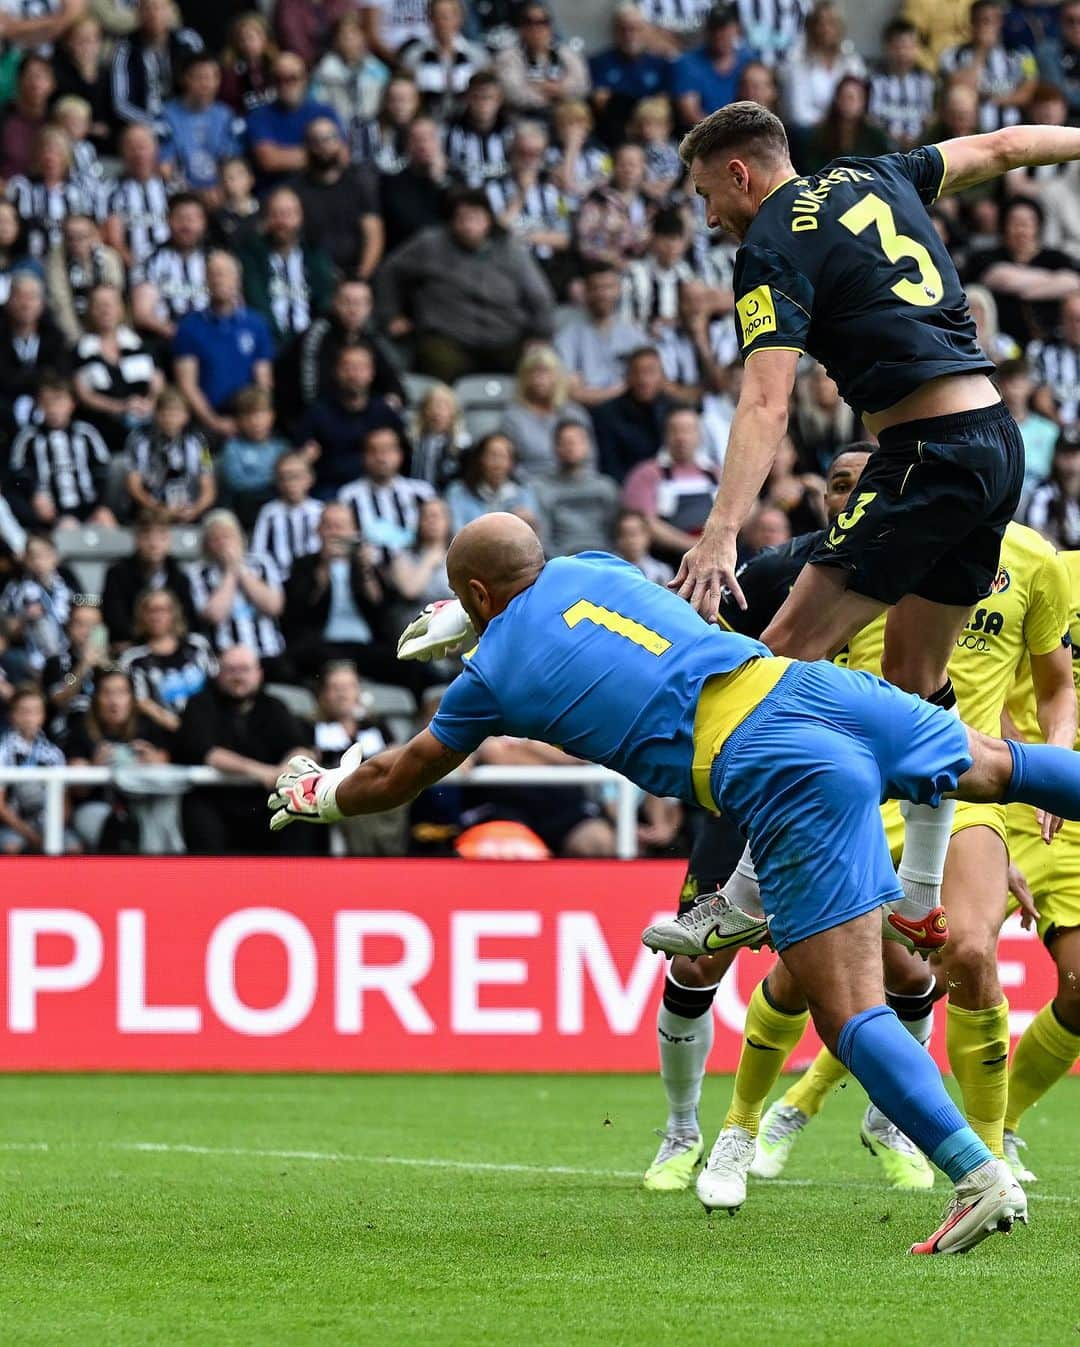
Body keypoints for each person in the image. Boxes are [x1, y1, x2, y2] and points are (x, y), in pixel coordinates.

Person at [269, 512, 1080, 1254]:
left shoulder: (490, 678)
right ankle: (744, 903)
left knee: (850, 1009)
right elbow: (519, 590)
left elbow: (395, 775)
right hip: (810, 688)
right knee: (1001, 764)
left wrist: (318, 793)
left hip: (775, 767)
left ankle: (978, 1177)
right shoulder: (595, 566)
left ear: (477, 596)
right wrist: (469, 613)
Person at [669, 101, 1080, 951]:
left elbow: (766, 398)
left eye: (709, 193)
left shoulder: (771, 246)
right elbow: (1006, 146)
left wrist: (720, 531)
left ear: (740, 173)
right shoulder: (873, 171)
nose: (710, 215)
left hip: (923, 452)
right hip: (997, 442)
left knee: (776, 665)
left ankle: (743, 892)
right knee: (913, 675)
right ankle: (922, 895)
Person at [1001, 549, 1080, 1181]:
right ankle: (791, 1108)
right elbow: (984, 673)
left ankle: (1001, 1122)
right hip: (1014, 790)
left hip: (1075, 819)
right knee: (911, 961)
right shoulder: (1052, 569)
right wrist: (1032, 769)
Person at [375, 187, 555, 382]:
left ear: (488, 219)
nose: (468, 225)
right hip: (449, 337)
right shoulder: (430, 245)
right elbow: (389, 271)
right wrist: (390, 315)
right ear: (451, 221)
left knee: (539, 366)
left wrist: (540, 336)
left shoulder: (509, 248)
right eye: (461, 218)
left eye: (475, 217)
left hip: (506, 336)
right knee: (438, 360)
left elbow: (539, 296)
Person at [176, 643, 308, 854]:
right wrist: (261, 772)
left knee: (300, 807)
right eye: (231, 670)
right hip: (216, 801)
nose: (238, 677)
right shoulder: (200, 705)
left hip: (265, 801)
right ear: (219, 674)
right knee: (197, 812)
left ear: (259, 673)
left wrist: (285, 768)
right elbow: (207, 752)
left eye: (245, 669)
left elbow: (300, 748)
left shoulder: (274, 706)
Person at [173, 250, 274, 439]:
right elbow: (187, 384)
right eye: (213, 274)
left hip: (249, 424)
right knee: (205, 462)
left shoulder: (256, 324)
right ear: (205, 281)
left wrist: (255, 420)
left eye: (225, 273)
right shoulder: (189, 326)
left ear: (238, 279)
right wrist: (213, 421)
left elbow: (264, 382)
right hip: (204, 426)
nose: (219, 279)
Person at [313, 659, 408, 855]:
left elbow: (396, 751)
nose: (342, 693)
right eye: (335, 687)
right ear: (323, 694)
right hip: (339, 792)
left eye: (348, 687)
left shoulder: (374, 724)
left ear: (358, 691)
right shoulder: (313, 727)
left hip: (379, 789)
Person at [966, 195, 1080, 348]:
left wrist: (1025, 288)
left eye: (1028, 222)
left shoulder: (1056, 258)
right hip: (1000, 343)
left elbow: (1074, 282)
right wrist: (1054, 283)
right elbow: (1000, 278)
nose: (1021, 228)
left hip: (1054, 343)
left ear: (1038, 226)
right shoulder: (987, 257)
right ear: (1004, 226)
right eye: (1015, 222)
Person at [296, 343, 405, 496]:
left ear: (371, 373)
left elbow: (403, 454)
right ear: (336, 371)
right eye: (347, 367)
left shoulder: (385, 413)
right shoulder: (317, 414)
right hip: (332, 490)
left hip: (379, 487)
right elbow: (302, 457)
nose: (354, 374)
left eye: (361, 368)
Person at [9, 373, 114, 529]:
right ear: (39, 405)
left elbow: (102, 471)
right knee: (68, 529)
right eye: (47, 403)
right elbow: (18, 472)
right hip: (50, 511)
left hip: (88, 507)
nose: (53, 409)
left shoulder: (86, 433)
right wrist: (34, 495)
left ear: (72, 403)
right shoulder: (28, 437)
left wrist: (102, 506)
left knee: (108, 527)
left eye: (59, 402)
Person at [188, 509, 287, 673]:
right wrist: (230, 573)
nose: (222, 543)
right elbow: (214, 615)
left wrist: (240, 569)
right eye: (215, 539)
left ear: (240, 537)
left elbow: (273, 606)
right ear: (206, 544)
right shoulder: (199, 573)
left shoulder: (262, 563)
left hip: (267, 652)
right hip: (223, 655)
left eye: (227, 536)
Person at [238, 186, 336, 351]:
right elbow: (256, 303)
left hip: (312, 346)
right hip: (268, 345)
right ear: (266, 218)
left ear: (300, 217)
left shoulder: (314, 255)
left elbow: (325, 300)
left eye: (289, 214)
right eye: (276, 214)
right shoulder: (252, 256)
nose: (282, 222)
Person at [621, 406, 721, 563]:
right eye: (675, 431)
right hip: (666, 561)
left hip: (716, 556)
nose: (682, 437)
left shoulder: (716, 473)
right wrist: (693, 546)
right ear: (665, 435)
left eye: (688, 430)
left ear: (699, 435)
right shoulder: (645, 474)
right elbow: (646, 523)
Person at [288, 118, 383, 280]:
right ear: (307, 146)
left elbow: (374, 235)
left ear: (340, 142)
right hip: (312, 277)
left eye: (329, 139)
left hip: (358, 276)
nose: (323, 146)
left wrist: (360, 278)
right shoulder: (294, 191)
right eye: (316, 140)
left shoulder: (358, 185)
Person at [73, 282, 161, 451]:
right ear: (90, 310)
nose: (105, 310)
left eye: (110, 304)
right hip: (104, 432)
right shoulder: (81, 350)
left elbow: (158, 383)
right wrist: (122, 407)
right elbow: (84, 395)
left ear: (121, 308)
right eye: (99, 305)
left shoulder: (141, 345)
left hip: (146, 427)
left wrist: (150, 402)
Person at [120, 587, 218, 740]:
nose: (157, 616)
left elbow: (216, 681)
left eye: (163, 610)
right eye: (151, 611)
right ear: (142, 616)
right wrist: (181, 728)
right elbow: (141, 702)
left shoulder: (197, 645)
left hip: (210, 725)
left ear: (174, 613)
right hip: (162, 734)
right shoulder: (133, 658)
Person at [298, 277, 404, 408]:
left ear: (369, 307)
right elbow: (311, 393)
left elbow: (393, 383)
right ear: (334, 303)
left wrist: (392, 400)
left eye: (360, 303)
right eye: (347, 302)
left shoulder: (370, 337)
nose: (353, 310)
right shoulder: (317, 335)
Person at [554, 262, 648, 410]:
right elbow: (569, 391)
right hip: (584, 411)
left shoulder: (634, 335)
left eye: (608, 287)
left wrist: (591, 391)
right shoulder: (568, 335)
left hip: (628, 410)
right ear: (585, 292)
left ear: (618, 290)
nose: (602, 294)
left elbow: (646, 383)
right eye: (596, 288)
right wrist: (619, 390)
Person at [245, 51, 340, 191]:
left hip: (320, 191)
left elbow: (342, 154)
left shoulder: (324, 111)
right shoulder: (259, 116)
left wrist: (287, 155)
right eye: (279, 79)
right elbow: (269, 160)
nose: (286, 85)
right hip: (277, 194)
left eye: (292, 78)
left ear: (305, 79)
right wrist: (320, 153)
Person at [939, 0, 1037, 133]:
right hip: (973, 130)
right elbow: (962, 89)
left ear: (1001, 22)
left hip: (1012, 128)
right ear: (972, 23)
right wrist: (981, 50)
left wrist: (993, 99)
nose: (989, 25)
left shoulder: (1022, 54)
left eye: (994, 20)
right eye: (983, 20)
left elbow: (1028, 91)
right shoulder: (953, 55)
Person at [101, 510, 196, 646]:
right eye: (147, 536)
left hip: (173, 648)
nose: (154, 544)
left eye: (161, 536)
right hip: (132, 647)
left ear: (169, 540)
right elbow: (115, 619)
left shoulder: (180, 577)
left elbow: (188, 620)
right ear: (136, 539)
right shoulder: (117, 574)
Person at [497, 345, 591, 478]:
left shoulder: (575, 413)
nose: (539, 379)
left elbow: (590, 460)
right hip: (532, 485)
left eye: (545, 372)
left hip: (575, 484)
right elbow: (509, 464)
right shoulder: (512, 418)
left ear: (558, 376)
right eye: (532, 373)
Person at [125, 385, 216, 523]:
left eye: (175, 413)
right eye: (165, 412)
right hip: (151, 509)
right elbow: (134, 486)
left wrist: (196, 509)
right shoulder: (138, 439)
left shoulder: (200, 441)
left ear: (186, 415)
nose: (170, 418)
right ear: (156, 414)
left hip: (189, 509)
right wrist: (159, 508)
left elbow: (208, 486)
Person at [338, 425, 433, 556]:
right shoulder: (349, 496)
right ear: (364, 456)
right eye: (373, 451)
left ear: (400, 454)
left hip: (419, 568)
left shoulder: (422, 493)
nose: (380, 457)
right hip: (367, 570)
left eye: (387, 450)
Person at [109, 0, 203, 130]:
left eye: (159, 8)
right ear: (138, 14)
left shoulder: (188, 42)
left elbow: (206, 82)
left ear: (170, 11)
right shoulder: (125, 47)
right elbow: (120, 103)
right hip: (143, 123)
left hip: (187, 117)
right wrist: (153, 124)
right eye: (148, 9)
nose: (154, 14)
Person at [589, 4, 673, 147]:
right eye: (624, 29)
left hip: (651, 128)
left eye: (635, 29)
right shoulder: (600, 62)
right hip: (615, 132)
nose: (629, 35)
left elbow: (663, 102)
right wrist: (641, 104)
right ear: (615, 31)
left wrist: (623, 101)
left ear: (645, 30)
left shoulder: (660, 63)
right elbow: (601, 101)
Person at [590, 345, 676, 481]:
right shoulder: (607, 414)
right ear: (627, 377)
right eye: (637, 372)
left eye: (650, 372)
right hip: (627, 488)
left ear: (662, 376)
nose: (643, 379)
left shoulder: (675, 410)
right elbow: (609, 467)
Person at [535, 419, 619, 556]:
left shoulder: (606, 487)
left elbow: (616, 533)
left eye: (577, 441)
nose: (571, 446)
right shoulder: (541, 488)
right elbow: (543, 536)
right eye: (565, 442)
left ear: (588, 445)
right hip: (561, 561)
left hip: (604, 559)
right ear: (555, 447)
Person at [0, 685, 67, 854]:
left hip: (47, 822)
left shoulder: (54, 753)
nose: (30, 717)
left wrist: (51, 831)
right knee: (10, 846)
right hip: (15, 823)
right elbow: (1, 806)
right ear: (12, 716)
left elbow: (65, 802)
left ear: (43, 715)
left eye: (35, 711)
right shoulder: (2, 751)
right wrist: (30, 834)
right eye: (24, 711)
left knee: (72, 846)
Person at [160, 54, 240, 195]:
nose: (206, 84)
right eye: (199, 78)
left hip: (220, 194)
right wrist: (191, 194)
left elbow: (232, 162)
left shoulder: (226, 115)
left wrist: (221, 190)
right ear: (185, 79)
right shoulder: (166, 116)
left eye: (211, 78)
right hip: (181, 195)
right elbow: (164, 166)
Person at [0, 271, 70, 430]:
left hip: (46, 402)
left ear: (41, 303)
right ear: (9, 301)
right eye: (20, 297)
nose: (25, 304)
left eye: (31, 297)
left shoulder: (54, 336)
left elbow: (58, 374)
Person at [0, 533, 80, 673]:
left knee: (75, 672)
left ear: (55, 556)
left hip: (69, 649)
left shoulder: (67, 580)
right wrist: (24, 618)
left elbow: (88, 604)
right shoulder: (15, 587)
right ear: (25, 559)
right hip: (28, 653)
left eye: (44, 555)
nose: (38, 561)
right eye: (33, 557)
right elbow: (5, 626)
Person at [673, 3, 758, 131]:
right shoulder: (688, 64)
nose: (719, 35)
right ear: (706, 31)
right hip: (704, 137)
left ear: (736, 29)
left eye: (724, 29)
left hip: (745, 129)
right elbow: (690, 113)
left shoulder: (749, 60)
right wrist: (723, 134)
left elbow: (762, 100)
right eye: (714, 29)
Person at [493, 2, 589, 116]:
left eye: (542, 22)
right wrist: (551, 96)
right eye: (529, 22)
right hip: (526, 117)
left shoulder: (566, 53)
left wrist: (558, 89)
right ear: (521, 28)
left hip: (563, 115)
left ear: (550, 27)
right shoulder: (508, 57)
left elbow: (582, 85)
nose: (536, 28)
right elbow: (514, 94)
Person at [45, 214, 126, 348]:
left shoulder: (109, 258)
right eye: (71, 238)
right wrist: (80, 342)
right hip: (73, 336)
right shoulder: (55, 261)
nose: (77, 243)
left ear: (94, 235)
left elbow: (114, 303)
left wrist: (107, 341)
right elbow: (61, 306)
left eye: (82, 237)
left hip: (109, 333)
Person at [401, 0, 488, 120]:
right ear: (430, 19)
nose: (443, 22)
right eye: (437, 16)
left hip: (465, 123)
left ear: (460, 19)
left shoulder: (476, 55)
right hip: (428, 121)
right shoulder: (415, 55)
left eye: (448, 16)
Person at [102, 124, 172, 268]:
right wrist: (136, 266)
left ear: (156, 149)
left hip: (170, 267)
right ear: (122, 152)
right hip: (130, 267)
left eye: (143, 146)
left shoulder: (172, 189)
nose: (138, 153)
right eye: (132, 147)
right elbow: (113, 239)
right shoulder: (110, 191)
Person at [219, 385, 290, 525]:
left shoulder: (281, 447)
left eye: (260, 414)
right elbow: (236, 481)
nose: (255, 422)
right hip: (243, 507)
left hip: (277, 509)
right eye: (248, 416)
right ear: (239, 420)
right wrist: (274, 478)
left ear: (272, 416)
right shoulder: (232, 447)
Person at [444, 433, 538, 534]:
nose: (497, 463)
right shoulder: (458, 492)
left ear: (512, 462)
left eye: (503, 456)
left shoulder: (524, 493)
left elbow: (531, 535)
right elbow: (458, 533)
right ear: (481, 459)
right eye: (492, 456)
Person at [251, 452, 323, 579]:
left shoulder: (320, 510)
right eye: (284, 477)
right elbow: (258, 551)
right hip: (279, 579)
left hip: (314, 578)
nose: (290, 483)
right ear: (277, 482)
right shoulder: (269, 513)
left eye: (296, 476)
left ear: (310, 478)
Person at [311, 12, 389, 127]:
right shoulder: (322, 73)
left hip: (372, 130)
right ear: (335, 41)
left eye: (354, 33)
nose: (349, 39)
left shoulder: (379, 72)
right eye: (344, 35)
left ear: (363, 38)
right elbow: (317, 106)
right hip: (338, 132)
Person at [869, 18, 937, 149]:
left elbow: (930, 118)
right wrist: (891, 137)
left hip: (919, 148)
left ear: (917, 49)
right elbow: (871, 119)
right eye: (897, 47)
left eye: (909, 47)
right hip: (882, 149)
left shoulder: (926, 81)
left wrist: (918, 139)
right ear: (887, 48)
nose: (903, 53)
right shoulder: (875, 80)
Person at [1028, 291, 1080, 427]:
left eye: (1079, 319)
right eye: (1071, 318)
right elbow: (1041, 400)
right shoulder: (1042, 351)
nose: (1076, 326)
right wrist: (1066, 428)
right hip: (1053, 430)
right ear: (1062, 320)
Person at [1024, 425, 1080, 548]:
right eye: (1065, 454)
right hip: (1058, 559)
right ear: (1055, 457)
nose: (1070, 460)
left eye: (1075, 454)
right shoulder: (1043, 491)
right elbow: (1034, 529)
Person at [614, 505, 673, 583]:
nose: (631, 540)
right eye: (625, 534)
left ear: (648, 536)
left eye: (635, 534)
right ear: (618, 539)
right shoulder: (611, 569)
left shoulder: (662, 572)